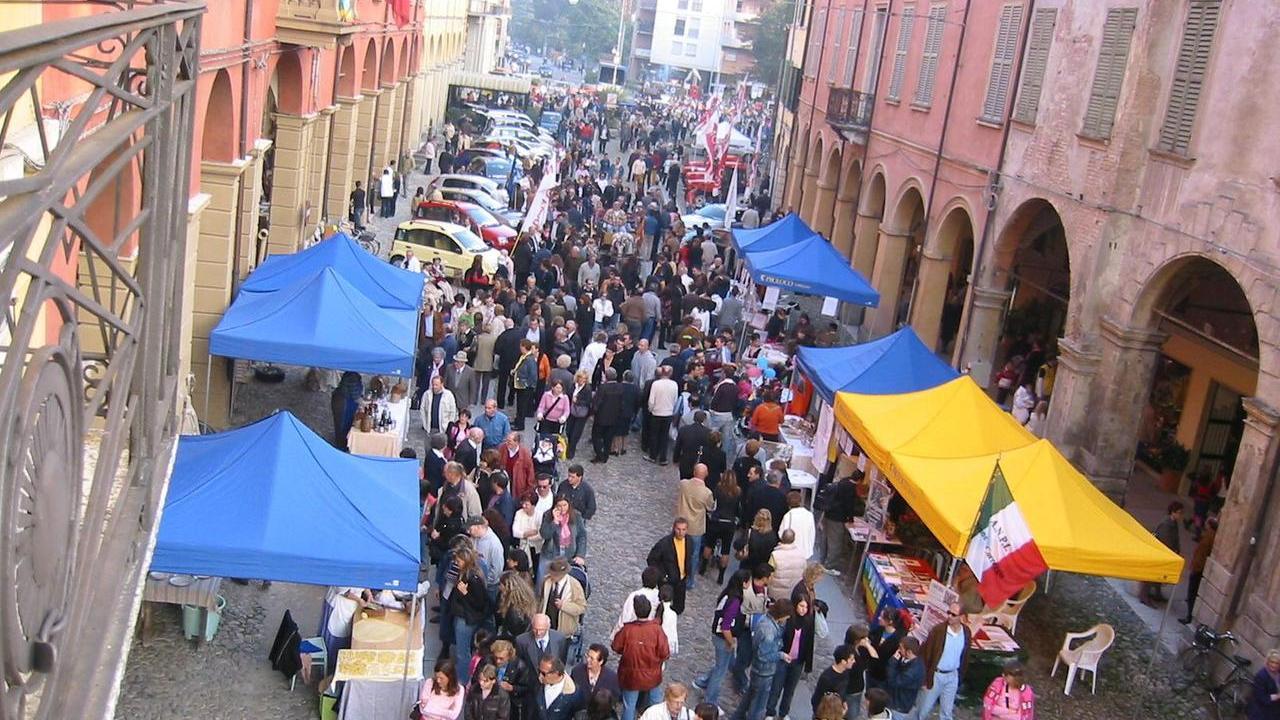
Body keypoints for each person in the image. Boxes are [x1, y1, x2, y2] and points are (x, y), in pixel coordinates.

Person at [612, 595, 671, 720]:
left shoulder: (628, 630)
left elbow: (616, 647)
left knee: (629, 706)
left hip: (631, 676)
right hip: (652, 675)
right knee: (657, 705)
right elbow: (665, 653)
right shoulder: (657, 630)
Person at [695, 568, 748, 705]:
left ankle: (704, 681)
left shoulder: (728, 593)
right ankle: (710, 701)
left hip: (718, 635)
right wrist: (731, 642)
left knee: (723, 664)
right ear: (743, 583)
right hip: (723, 639)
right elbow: (726, 627)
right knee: (721, 671)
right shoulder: (735, 601)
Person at [732, 600, 790, 720]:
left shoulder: (765, 620)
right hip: (764, 673)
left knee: (749, 697)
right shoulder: (769, 631)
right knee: (758, 706)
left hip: (757, 670)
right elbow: (763, 656)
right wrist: (780, 655)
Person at [915, 603, 972, 720]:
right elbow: (926, 654)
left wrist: (960, 675)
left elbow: (965, 656)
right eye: (949, 613)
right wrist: (925, 679)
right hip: (936, 675)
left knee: (947, 712)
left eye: (953, 614)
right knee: (923, 710)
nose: (949, 616)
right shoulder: (938, 631)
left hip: (952, 675)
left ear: (961, 617)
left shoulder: (966, 632)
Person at [766, 595, 814, 720]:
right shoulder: (788, 619)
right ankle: (770, 712)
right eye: (801, 606)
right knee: (776, 687)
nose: (803, 609)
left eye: (806, 607)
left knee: (790, 689)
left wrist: (808, 664)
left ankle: (783, 712)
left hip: (798, 661)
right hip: (783, 659)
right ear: (796, 605)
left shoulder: (809, 621)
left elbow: (810, 642)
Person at [451, 546, 492, 683]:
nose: (457, 563)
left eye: (459, 560)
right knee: (462, 651)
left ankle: (463, 679)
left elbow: (479, 602)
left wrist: (465, 594)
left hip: (467, 618)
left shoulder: (473, 578)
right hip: (463, 615)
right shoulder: (466, 573)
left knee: (462, 652)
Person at [676, 465, 715, 589]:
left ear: (693, 472)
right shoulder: (707, 493)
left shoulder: (683, 484)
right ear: (706, 474)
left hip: (681, 523)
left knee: (677, 550)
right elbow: (710, 507)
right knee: (693, 555)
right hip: (695, 527)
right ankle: (690, 580)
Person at [646, 518, 695, 616]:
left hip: (681, 579)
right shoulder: (665, 543)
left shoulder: (689, 541)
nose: (681, 532)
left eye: (683, 529)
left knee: (679, 606)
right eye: (678, 529)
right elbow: (651, 559)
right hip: (667, 581)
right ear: (674, 528)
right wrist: (662, 576)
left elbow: (689, 557)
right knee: (663, 606)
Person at [820, 471, 863, 575]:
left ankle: (823, 560)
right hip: (837, 518)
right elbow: (848, 506)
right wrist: (851, 519)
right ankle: (829, 566)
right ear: (860, 480)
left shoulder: (843, 481)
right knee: (835, 543)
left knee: (826, 538)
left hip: (829, 514)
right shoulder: (850, 488)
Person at [1142, 502, 1183, 606]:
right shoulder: (1166, 524)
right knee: (1152, 575)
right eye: (1178, 513)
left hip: (1166, 552)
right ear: (1173, 512)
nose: (1180, 515)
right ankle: (1144, 596)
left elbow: (1175, 538)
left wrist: (1177, 549)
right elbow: (1165, 540)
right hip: (1161, 553)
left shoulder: (1173, 523)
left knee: (1160, 574)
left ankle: (1157, 593)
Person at [538, 496, 587, 584]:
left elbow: (582, 536)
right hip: (550, 553)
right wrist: (554, 522)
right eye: (559, 506)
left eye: (564, 505)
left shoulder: (576, 516)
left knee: (566, 583)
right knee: (543, 581)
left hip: (569, 554)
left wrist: (580, 554)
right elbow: (544, 534)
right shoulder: (548, 515)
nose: (562, 508)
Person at [705, 471, 742, 584]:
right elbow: (738, 509)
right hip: (729, 523)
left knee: (709, 544)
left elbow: (713, 504)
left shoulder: (718, 489)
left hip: (717, 520)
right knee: (726, 550)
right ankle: (721, 576)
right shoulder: (738, 492)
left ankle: (703, 566)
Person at [1181, 516, 1218, 624]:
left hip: (1198, 568)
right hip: (1199, 567)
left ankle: (1189, 616)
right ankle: (1190, 613)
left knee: (1192, 592)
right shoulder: (1210, 536)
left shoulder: (1208, 537)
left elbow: (1201, 554)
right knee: (1193, 592)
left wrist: (1195, 567)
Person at [591, 368, 628, 463]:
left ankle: (599, 454)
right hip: (614, 418)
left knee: (596, 437)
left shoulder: (603, 388)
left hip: (601, 418)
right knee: (608, 438)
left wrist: (593, 412)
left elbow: (597, 403)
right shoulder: (621, 387)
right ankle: (605, 455)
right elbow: (622, 404)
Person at [533, 655, 586, 720]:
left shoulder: (574, 693)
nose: (540, 676)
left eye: (544, 673)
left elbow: (579, 715)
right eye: (539, 671)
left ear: (556, 673)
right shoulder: (537, 685)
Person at [646, 367, 679, 465]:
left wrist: (651, 409)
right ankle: (663, 457)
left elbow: (651, 400)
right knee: (664, 436)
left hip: (656, 412)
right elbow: (675, 399)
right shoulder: (674, 384)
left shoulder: (656, 384)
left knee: (654, 435)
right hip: (668, 413)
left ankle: (653, 455)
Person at [811, 645, 855, 717]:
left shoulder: (846, 672)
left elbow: (843, 691)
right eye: (852, 659)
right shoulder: (827, 678)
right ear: (843, 661)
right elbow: (817, 700)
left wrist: (844, 702)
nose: (854, 661)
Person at [884, 637, 923, 716]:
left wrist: (893, 662)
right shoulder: (910, 661)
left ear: (908, 652)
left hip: (899, 705)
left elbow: (893, 682)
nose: (898, 650)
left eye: (901, 648)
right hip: (896, 699)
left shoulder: (912, 672)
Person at [766, 529, 808, 603]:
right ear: (794, 539)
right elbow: (804, 573)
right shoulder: (802, 555)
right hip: (795, 591)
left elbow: (769, 573)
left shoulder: (775, 555)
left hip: (777, 592)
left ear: (782, 538)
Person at [673, 411, 711, 480]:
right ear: (704, 419)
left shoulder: (684, 429)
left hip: (685, 460)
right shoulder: (708, 432)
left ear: (693, 418)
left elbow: (678, 446)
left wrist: (675, 459)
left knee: (684, 481)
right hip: (699, 462)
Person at [566, 369, 594, 460]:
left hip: (581, 413)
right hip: (571, 411)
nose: (583, 380)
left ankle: (571, 450)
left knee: (576, 433)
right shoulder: (573, 386)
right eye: (581, 378)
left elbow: (588, 401)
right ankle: (569, 445)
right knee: (569, 430)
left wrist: (577, 401)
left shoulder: (587, 389)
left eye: (585, 379)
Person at [779, 490, 816, 559]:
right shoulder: (809, 515)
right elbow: (812, 533)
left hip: (791, 553)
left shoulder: (788, 516)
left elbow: (781, 534)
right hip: (806, 552)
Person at [513, 339, 541, 430]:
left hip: (525, 387)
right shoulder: (524, 357)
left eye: (521, 346)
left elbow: (533, 375)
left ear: (524, 347)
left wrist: (527, 384)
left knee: (522, 406)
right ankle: (517, 420)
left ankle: (520, 425)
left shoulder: (530, 359)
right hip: (520, 385)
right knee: (519, 404)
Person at [1246, 649, 1280, 720]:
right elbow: (1261, 698)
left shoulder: (1278, 673)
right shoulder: (1261, 676)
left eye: (1277, 663)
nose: (1274, 665)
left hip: (1275, 711)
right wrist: (1276, 696)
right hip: (1261, 712)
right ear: (1268, 662)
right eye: (1272, 662)